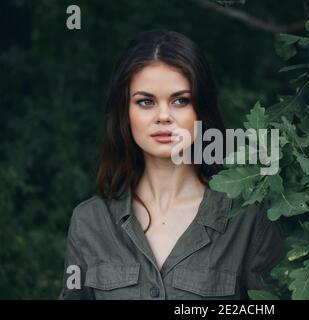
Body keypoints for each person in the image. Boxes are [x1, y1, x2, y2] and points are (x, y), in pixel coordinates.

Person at [58, 30, 286, 300]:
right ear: (125, 113)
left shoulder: (248, 218)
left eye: (180, 100)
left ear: (200, 110)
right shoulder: (90, 221)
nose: (163, 116)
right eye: (146, 102)